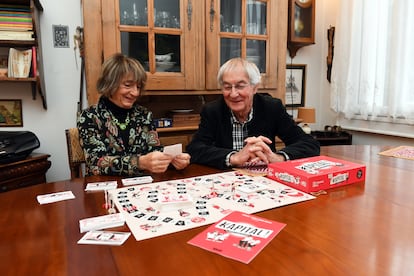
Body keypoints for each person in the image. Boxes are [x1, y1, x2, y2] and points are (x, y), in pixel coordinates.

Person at [186, 57, 319, 169]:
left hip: (264, 181)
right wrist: (234, 157)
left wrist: (278, 157)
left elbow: (309, 144)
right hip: (226, 181)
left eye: (240, 86)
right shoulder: (212, 111)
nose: (233, 94)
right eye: (227, 87)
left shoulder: (272, 107)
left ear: (255, 87)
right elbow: (195, 149)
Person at [77, 53, 190, 176]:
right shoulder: (89, 117)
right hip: (103, 188)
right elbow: (96, 162)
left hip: (141, 187)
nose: (135, 93)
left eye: (138, 86)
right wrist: (139, 163)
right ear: (110, 83)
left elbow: (154, 150)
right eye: (128, 85)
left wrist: (172, 160)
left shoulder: (144, 115)